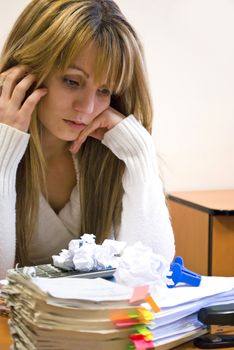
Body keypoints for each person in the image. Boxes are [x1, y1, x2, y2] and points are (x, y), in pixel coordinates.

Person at [0, 0, 175, 279]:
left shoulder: (111, 154)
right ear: (25, 73)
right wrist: (3, 152)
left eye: (104, 90)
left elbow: (149, 275)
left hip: (98, 323)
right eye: (72, 81)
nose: (88, 108)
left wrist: (140, 157)